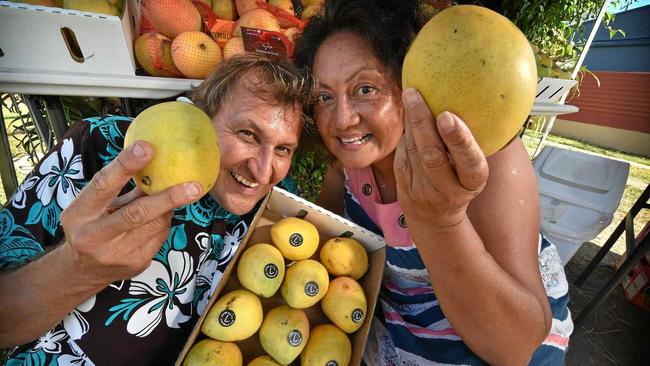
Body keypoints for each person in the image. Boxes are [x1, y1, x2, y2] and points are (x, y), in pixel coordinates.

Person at [295, 0, 572, 364]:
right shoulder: (348, 163)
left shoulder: (486, 158)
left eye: (365, 89)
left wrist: (442, 221)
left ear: (410, 83)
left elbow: (515, 346)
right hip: (398, 334)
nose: (342, 119)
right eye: (325, 96)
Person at [0, 53, 313, 365]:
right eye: (247, 134)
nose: (262, 171)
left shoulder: (277, 208)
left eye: (283, 149)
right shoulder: (105, 148)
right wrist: (77, 269)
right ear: (203, 117)